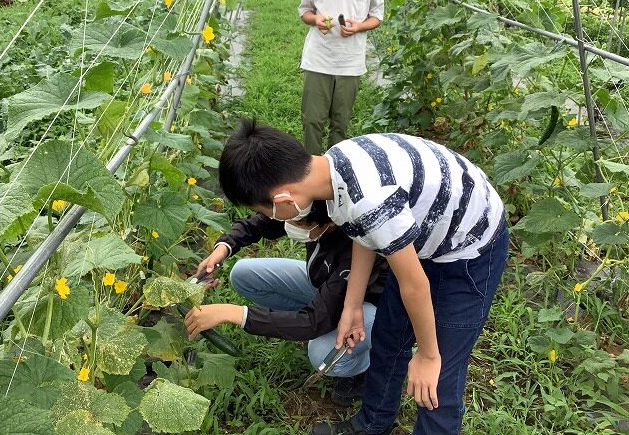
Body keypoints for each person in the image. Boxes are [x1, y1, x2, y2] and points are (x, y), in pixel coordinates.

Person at [217, 119, 509, 435]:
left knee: (440, 372)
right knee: (387, 337)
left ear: (283, 200)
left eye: (268, 212)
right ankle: (372, 424)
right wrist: (353, 306)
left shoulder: (369, 198)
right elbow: (364, 234)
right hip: (418, 237)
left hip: (469, 247)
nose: (270, 220)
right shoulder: (332, 168)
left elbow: (415, 283)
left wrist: (426, 354)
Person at [184, 201, 389, 407]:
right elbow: (256, 224)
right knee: (243, 274)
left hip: (373, 307)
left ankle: (368, 364)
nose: (289, 225)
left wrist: (232, 313)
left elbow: (312, 322)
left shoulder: (354, 244)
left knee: (319, 353)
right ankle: (305, 324)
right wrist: (223, 249)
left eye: (298, 224)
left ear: (331, 224)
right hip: (329, 288)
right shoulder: (310, 206)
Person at [298, 0, 384, 155]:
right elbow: (304, 11)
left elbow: (377, 16)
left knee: (341, 123)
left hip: (350, 62)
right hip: (319, 59)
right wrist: (315, 19)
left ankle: (334, 168)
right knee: (312, 121)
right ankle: (312, 165)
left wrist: (359, 27)